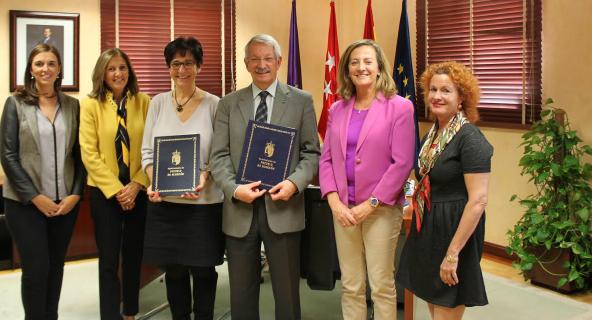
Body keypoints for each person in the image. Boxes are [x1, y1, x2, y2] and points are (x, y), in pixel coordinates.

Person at [209, 34, 320, 320]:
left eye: (267, 58)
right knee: (242, 296)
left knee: (287, 297)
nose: (261, 65)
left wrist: (294, 183)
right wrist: (234, 189)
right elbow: (218, 156)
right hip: (239, 209)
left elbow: (311, 153)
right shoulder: (228, 104)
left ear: (279, 61)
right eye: (254, 59)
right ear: (246, 64)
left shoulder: (300, 101)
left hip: (284, 206)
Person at [318, 39, 415, 320]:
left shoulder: (400, 108)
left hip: (380, 209)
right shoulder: (337, 109)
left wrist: (370, 204)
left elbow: (402, 163)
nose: (361, 67)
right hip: (343, 210)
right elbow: (327, 160)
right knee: (350, 284)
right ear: (347, 70)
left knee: (381, 284)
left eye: (367, 61)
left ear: (379, 67)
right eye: (354, 62)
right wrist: (335, 202)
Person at [396, 61, 493, 320]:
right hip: (428, 225)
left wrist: (453, 254)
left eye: (446, 91)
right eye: (433, 89)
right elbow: (424, 178)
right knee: (433, 297)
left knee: (447, 302)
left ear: (461, 98)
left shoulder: (470, 138)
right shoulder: (434, 133)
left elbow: (478, 201)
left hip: (455, 229)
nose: (437, 96)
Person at [141, 37, 225, 320]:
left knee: (203, 269)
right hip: (166, 205)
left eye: (188, 63)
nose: (182, 70)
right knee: (174, 270)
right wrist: (155, 182)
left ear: (199, 66)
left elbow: (220, 153)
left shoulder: (215, 104)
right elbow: (147, 152)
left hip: (204, 204)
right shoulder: (158, 103)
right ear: (169, 68)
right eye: (176, 63)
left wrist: (203, 176)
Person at [0, 43, 85, 320]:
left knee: (55, 267)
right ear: (31, 69)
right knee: (36, 269)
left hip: (64, 205)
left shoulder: (73, 105)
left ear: (59, 69)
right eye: (39, 64)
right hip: (26, 205)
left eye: (51, 63)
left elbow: (79, 154)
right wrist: (36, 197)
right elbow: (9, 156)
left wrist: (75, 195)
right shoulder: (15, 103)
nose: (45, 69)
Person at [80, 48, 151, 320]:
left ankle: (130, 311)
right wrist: (117, 190)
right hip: (105, 193)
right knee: (109, 259)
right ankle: (109, 314)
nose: (118, 73)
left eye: (122, 67)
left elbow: (151, 146)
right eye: (111, 69)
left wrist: (137, 184)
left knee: (133, 255)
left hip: (138, 190)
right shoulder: (90, 105)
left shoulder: (144, 102)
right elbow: (89, 152)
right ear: (102, 73)